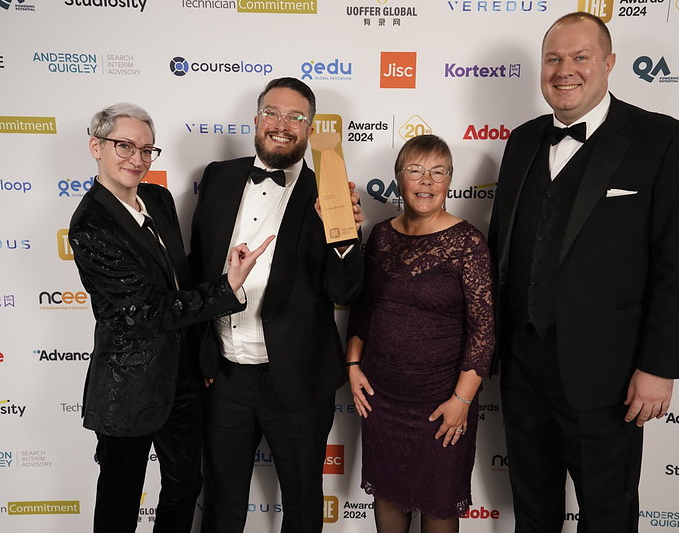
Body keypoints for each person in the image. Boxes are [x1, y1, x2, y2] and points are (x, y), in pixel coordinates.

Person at [488, 12, 679, 533]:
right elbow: (505, 250)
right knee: (533, 514)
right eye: (554, 59)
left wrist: (659, 367)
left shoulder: (662, 140)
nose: (565, 70)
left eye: (581, 57)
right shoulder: (521, 142)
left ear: (608, 64)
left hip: (610, 376)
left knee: (607, 517)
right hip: (522, 371)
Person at [69, 103, 272, 533]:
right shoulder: (91, 225)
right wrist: (228, 287)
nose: (136, 159)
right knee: (120, 498)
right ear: (96, 147)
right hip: (128, 385)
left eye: (146, 150)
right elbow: (148, 312)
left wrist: (202, 355)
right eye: (124, 146)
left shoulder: (158, 199)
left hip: (182, 378)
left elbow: (179, 279)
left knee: (185, 484)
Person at [188, 77, 364, 533]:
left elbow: (344, 292)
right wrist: (200, 353)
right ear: (257, 118)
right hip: (225, 376)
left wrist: (343, 237)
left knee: (303, 501)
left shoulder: (329, 191)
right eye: (272, 112)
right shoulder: (218, 177)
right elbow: (195, 271)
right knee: (222, 501)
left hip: (299, 379)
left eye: (296, 117)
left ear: (309, 129)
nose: (282, 124)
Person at [346, 134, 495, 533]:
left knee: (439, 507)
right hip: (382, 400)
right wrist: (353, 363)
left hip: (442, 405)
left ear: (449, 181)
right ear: (399, 179)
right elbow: (363, 307)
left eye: (438, 172)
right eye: (415, 170)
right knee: (389, 500)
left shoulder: (468, 243)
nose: (426, 181)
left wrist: (461, 401)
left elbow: (484, 331)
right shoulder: (379, 235)